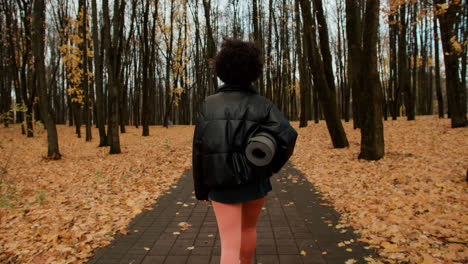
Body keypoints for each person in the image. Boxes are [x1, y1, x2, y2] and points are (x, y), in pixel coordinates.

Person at [192, 39, 298, 264]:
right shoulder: (263, 105)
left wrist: (202, 189)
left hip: (220, 183)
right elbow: (288, 137)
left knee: (228, 245)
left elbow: (199, 150)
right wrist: (269, 167)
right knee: (248, 230)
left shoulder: (208, 105)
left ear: (222, 69)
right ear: (254, 70)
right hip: (255, 180)